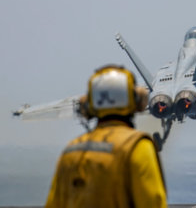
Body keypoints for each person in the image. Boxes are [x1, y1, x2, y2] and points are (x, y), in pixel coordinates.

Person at [45, 65, 167, 208]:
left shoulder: (70, 152)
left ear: (88, 103)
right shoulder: (138, 147)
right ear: (137, 100)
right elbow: (152, 202)